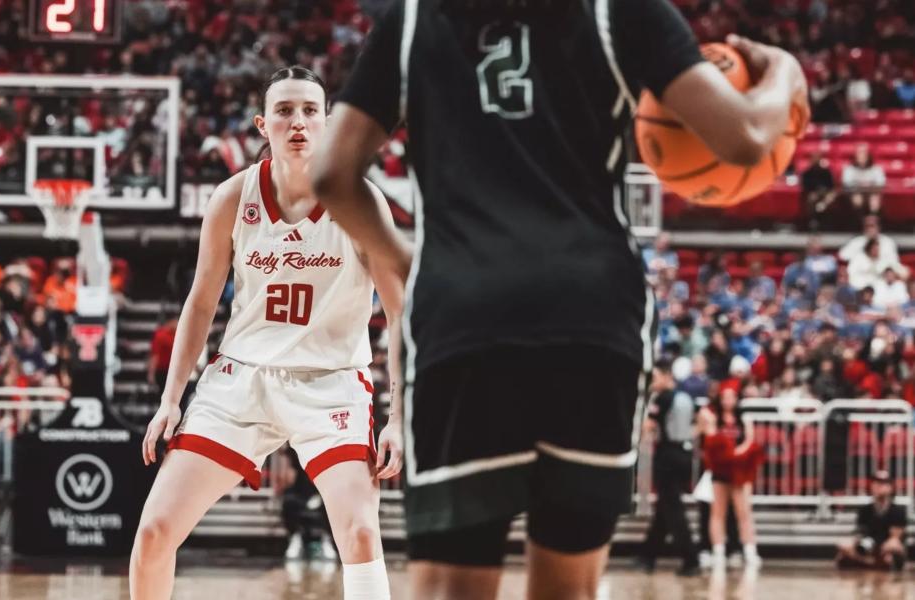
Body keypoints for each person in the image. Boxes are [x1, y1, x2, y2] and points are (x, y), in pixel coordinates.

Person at [312, 1, 806, 596]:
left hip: (463, 309)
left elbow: (331, 175)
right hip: (592, 314)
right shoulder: (622, 11)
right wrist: (784, 73)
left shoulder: (415, 17)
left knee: (451, 587)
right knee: (567, 588)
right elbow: (748, 137)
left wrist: (401, 259)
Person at [131, 66, 405, 600]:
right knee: (154, 531)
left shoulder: (362, 202)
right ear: (263, 123)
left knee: (361, 532)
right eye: (284, 111)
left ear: (327, 123)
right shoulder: (233, 198)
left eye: (309, 111)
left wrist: (400, 415)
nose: (297, 121)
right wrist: (171, 398)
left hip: (332, 384)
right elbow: (201, 301)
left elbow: (400, 314)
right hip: (239, 380)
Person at [638, 361, 700, 576]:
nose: (652, 383)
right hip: (685, 454)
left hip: (668, 456)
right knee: (665, 507)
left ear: (666, 376)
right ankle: (648, 554)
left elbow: (648, 426)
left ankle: (691, 558)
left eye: (655, 378)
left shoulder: (663, 398)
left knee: (673, 510)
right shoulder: (685, 397)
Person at [700, 388, 763, 570]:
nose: (728, 400)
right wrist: (727, 454)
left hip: (740, 471)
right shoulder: (714, 419)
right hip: (720, 470)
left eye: (731, 397)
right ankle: (718, 550)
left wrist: (737, 454)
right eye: (724, 397)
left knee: (743, 512)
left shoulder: (744, 419)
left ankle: (750, 551)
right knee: (717, 512)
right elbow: (710, 439)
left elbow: (750, 441)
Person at [836, 470, 907, 571]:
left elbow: (895, 538)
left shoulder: (897, 510)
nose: (879, 486)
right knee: (844, 546)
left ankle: (870, 562)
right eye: (877, 482)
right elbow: (860, 533)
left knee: (893, 546)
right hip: (868, 545)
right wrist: (854, 544)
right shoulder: (865, 510)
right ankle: (869, 562)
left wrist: (882, 548)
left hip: (886, 547)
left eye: (884, 483)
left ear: (891, 487)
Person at [841, 143, 886, 217]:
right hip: (854, 193)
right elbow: (846, 183)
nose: (862, 156)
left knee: (874, 200)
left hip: (872, 193)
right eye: (859, 153)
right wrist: (860, 186)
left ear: (868, 155)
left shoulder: (876, 169)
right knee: (857, 199)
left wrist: (869, 186)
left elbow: (881, 183)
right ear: (855, 155)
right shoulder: (849, 169)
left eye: (864, 153)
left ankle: (873, 220)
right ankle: (857, 221)